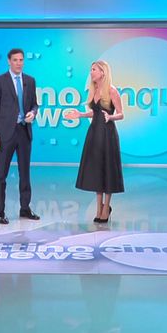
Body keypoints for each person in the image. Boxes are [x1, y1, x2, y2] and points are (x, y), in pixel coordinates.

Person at [64, 60, 125, 223]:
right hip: (94, 133)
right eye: (91, 69)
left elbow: (121, 114)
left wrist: (110, 117)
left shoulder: (112, 91)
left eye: (94, 69)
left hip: (108, 135)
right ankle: (98, 208)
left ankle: (106, 208)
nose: (91, 72)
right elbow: (95, 113)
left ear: (102, 72)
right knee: (97, 170)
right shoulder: (94, 90)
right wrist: (80, 115)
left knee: (107, 170)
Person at [0, 48, 40, 224]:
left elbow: (34, 104)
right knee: (1, 174)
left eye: (21, 60)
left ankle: (25, 208)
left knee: (25, 173)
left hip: (24, 132)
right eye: (15, 60)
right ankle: (0, 212)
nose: (19, 63)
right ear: (9, 61)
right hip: (5, 134)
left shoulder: (30, 81)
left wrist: (33, 113)